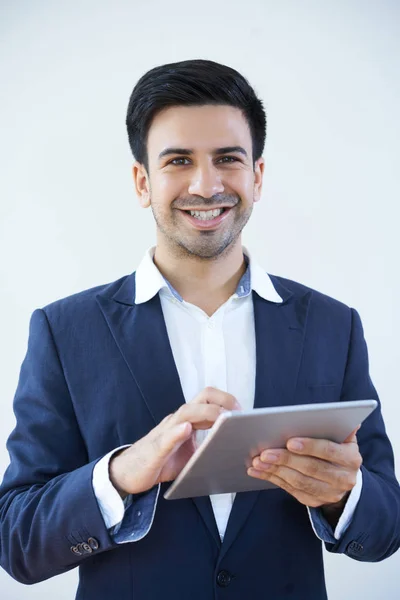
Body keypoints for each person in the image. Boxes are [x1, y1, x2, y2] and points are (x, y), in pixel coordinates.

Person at [0, 59, 399, 600]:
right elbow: (17, 542)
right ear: (142, 182)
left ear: (257, 177)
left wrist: (344, 493)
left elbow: (386, 528)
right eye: (179, 161)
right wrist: (122, 474)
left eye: (227, 159)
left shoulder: (334, 326)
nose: (206, 184)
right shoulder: (65, 331)